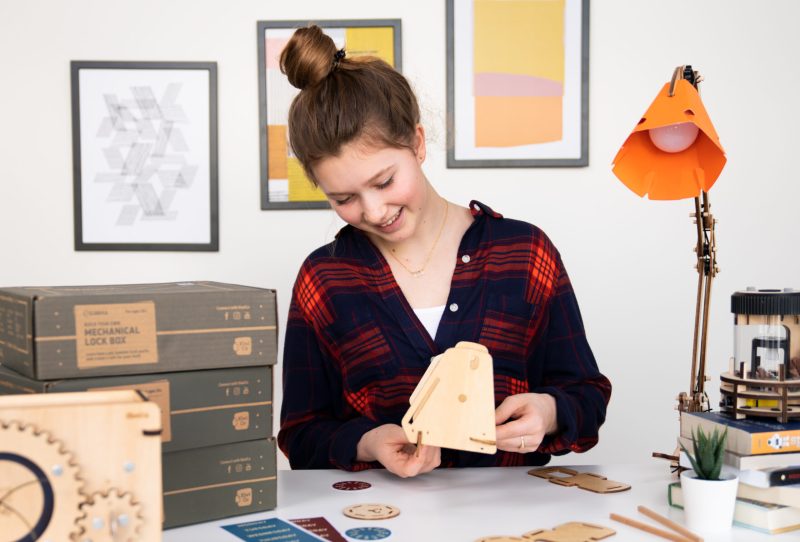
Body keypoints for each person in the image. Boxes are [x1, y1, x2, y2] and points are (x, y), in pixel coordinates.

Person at [277, 25, 611, 478]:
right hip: (385, 521)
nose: (374, 211)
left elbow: (587, 393)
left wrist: (550, 412)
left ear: (417, 142)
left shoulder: (525, 252)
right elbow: (300, 433)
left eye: (384, 181)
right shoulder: (324, 278)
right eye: (343, 199)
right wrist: (367, 441)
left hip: (513, 521)